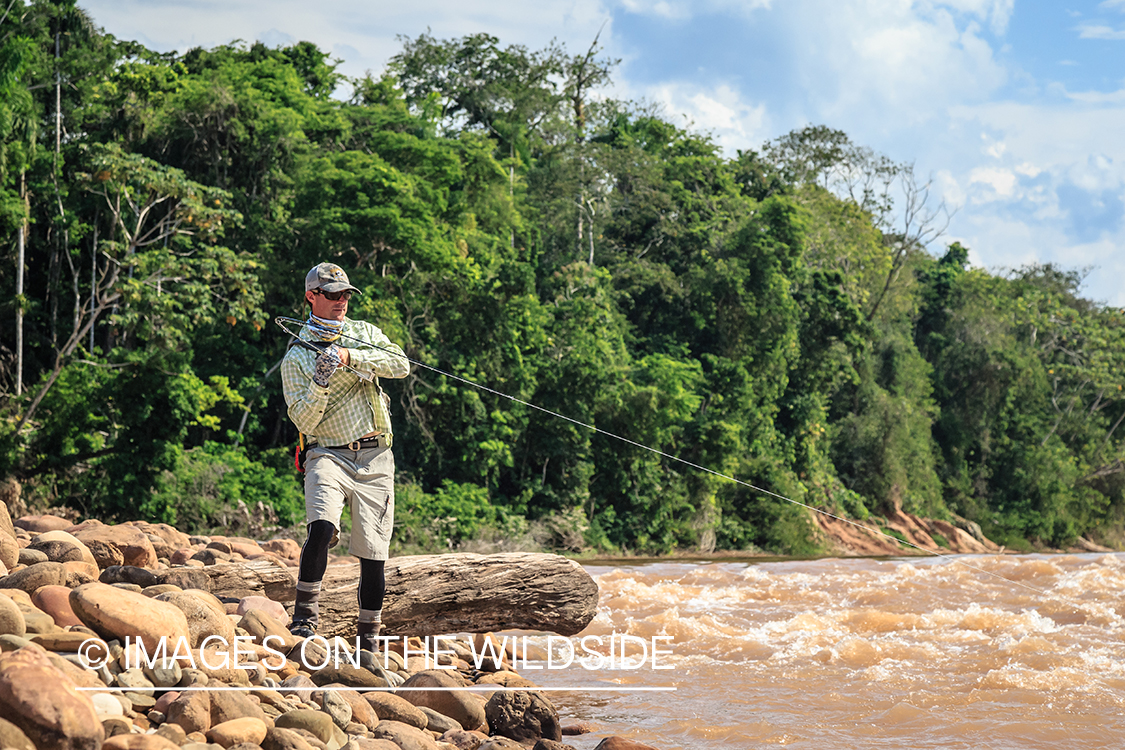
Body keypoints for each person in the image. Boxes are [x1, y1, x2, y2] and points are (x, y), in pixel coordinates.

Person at [281, 262, 410, 652]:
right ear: (311, 297)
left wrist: (351, 358)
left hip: (376, 457)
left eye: (345, 295)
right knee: (321, 528)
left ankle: (368, 639)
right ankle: (304, 620)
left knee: (374, 553)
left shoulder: (364, 333)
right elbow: (302, 418)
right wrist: (320, 381)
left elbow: (401, 365)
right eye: (333, 295)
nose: (341, 302)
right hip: (327, 455)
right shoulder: (296, 357)